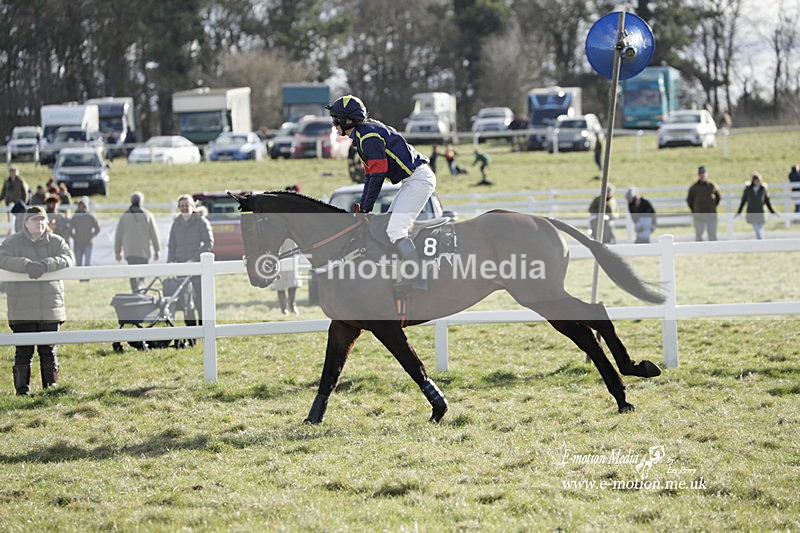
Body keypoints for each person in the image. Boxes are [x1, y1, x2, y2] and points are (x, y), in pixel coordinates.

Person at [326, 94, 436, 290]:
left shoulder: (367, 137)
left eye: (336, 120)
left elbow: (377, 176)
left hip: (418, 180)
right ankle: (401, 272)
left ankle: (419, 279)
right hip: (412, 180)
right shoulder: (362, 135)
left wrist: (366, 207)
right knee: (389, 227)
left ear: (348, 120)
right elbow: (370, 178)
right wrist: (363, 205)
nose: (334, 125)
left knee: (395, 229)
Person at [0, 206, 74, 395]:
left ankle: (50, 389)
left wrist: (46, 264)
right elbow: (2, 258)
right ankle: (22, 391)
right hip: (22, 307)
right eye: (35, 219)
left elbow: (68, 257)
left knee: (48, 350)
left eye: (42, 219)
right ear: (26, 222)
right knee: (23, 351)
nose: (39, 223)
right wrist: (25, 265)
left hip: (49, 307)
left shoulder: (56, 242)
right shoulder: (12, 242)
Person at [167, 194, 213, 327]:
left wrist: (194, 259)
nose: (184, 208)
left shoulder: (201, 221)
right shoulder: (176, 223)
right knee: (186, 303)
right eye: (181, 206)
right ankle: (191, 334)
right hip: (182, 269)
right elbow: (172, 245)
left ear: (193, 206)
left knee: (200, 302)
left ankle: (205, 330)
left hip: (198, 268)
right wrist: (170, 263)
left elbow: (208, 243)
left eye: (187, 205)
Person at [114, 191, 161, 292]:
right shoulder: (147, 215)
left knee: (132, 274)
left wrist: (117, 252)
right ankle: (142, 290)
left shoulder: (124, 216)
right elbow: (154, 234)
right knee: (142, 273)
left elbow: (118, 235)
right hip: (143, 250)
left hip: (129, 250)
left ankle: (135, 290)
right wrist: (157, 250)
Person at [735, 172, 776, 240]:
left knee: (760, 228)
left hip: (761, 212)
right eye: (756, 180)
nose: (757, 182)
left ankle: (760, 241)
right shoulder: (748, 189)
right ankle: (761, 241)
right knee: (757, 228)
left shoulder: (763, 189)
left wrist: (773, 211)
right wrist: (739, 212)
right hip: (752, 212)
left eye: (759, 180)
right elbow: (743, 201)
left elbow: (767, 201)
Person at [687, 165, 721, 241]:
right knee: (699, 234)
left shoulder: (712, 185)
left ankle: (714, 250)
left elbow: (718, 197)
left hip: (711, 214)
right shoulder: (694, 188)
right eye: (700, 174)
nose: (702, 175)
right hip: (699, 215)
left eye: (704, 173)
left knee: (712, 235)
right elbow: (689, 200)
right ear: (698, 175)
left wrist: (713, 207)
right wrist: (695, 210)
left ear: (706, 174)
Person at [70, 196, 101, 274]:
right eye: (80, 206)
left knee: (87, 262)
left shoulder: (90, 217)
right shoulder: (74, 218)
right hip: (78, 243)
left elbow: (97, 229)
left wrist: (91, 236)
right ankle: (80, 278)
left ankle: (87, 278)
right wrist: (74, 237)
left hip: (88, 243)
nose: (81, 208)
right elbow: (69, 229)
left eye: (83, 206)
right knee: (79, 262)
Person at [1, 166, 30, 233]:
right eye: (12, 172)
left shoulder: (20, 181)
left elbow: (25, 192)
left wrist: (24, 202)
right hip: (9, 203)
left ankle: (19, 232)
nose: (13, 173)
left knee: (19, 219)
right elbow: (3, 192)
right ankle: (10, 231)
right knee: (10, 218)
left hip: (18, 204)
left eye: (14, 172)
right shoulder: (7, 182)